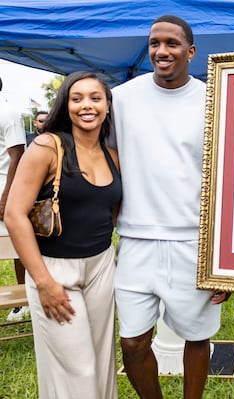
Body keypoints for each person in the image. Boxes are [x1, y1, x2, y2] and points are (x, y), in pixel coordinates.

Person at [110, 14, 228, 399]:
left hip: (193, 241)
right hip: (135, 238)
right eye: (154, 43)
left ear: (191, 52)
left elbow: (229, 178)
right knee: (132, 343)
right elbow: (108, 161)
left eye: (172, 44)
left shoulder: (215, 100)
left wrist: (227, 262)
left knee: (198, 335)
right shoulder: (122, 98)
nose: (161, 51)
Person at [4, 71, 121, 399]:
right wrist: (43, 282)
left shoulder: (113, 156)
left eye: (96, 98)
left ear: (108, 106)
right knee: (77, 368)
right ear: (65, 105)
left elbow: (111, 212)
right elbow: (14, 215)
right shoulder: (47, 147)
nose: (87, 105)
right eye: (77, 98)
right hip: (54, 269)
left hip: (101, 265)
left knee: (101, 362)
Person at [0, 76, 27, 322]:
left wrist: (7, 196)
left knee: (18, 246)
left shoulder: (7, 112)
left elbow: (17, 155)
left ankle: (24, 303)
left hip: (5, 193)